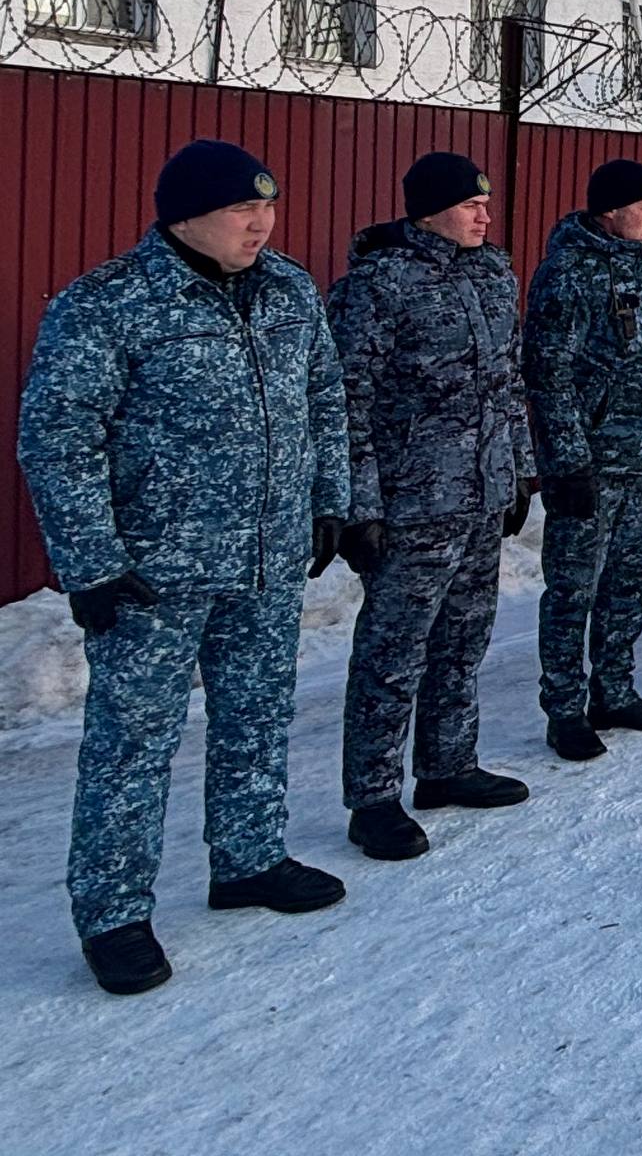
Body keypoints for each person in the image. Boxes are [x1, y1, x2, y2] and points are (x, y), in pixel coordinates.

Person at [19, 139, 350, 995]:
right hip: (152, 573)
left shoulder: (288, 290)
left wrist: (327, 501)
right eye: (244, 210)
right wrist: (90, 562)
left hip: (266, 559)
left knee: (257, 714)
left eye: (268, 208)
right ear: (183, 216)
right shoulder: (109, 304)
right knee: (133, 743)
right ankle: (113, 912)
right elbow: (58, 438)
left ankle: (247, 860)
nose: (263, 223)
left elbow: (325, 399)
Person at [327, 151, 536, 864]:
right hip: (412, 503)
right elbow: (346, 400)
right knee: (392, 652)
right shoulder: (379, 285)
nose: (485, 213)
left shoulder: (492, 274)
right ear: (430, 210)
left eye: (487, 203)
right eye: (471, 203)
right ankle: (373, 797)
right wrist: (358, 506)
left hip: (479, 495)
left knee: (463, 638)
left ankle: (447, 765)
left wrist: (519, 473)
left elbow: (510, 382)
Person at [524, 158, 642, 762]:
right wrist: (565, 462)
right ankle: (564, 708)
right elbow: (549, 373)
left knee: (629, 577)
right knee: (573, 587)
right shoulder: (568, 272)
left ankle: (614, 689)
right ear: (609, 211)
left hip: (641, 455)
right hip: (590, 462)